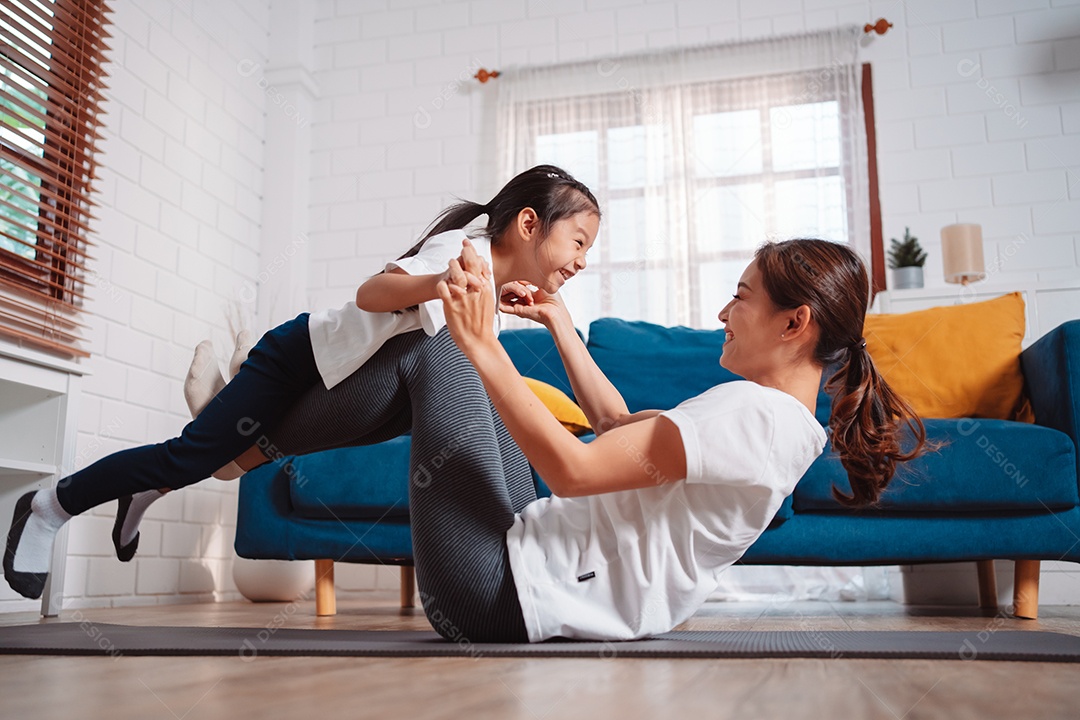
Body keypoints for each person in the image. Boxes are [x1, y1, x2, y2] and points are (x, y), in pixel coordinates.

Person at [188, 236, 926, 643]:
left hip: (498, 599)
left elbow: (574, 471)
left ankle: (239, 440)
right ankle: (241, 446)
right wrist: (562, 326)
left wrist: (484, 344)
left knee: (439, 346)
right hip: (521, 562)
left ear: (795, 324)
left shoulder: (755, 419)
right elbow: (614, 429)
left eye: (742, 295)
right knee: (444, 352)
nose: (724, 310)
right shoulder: (771, 418)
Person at [3, 165, 601, 601]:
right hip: (299, 359)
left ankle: (157, 481)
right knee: (194, 456)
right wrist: (439, 283)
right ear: (528, 224)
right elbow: (371, 294)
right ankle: (50, 505)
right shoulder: (462, 252)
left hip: (353, 388)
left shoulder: (492, 290)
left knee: (225, 462)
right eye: (577, 242)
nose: (580, 261)